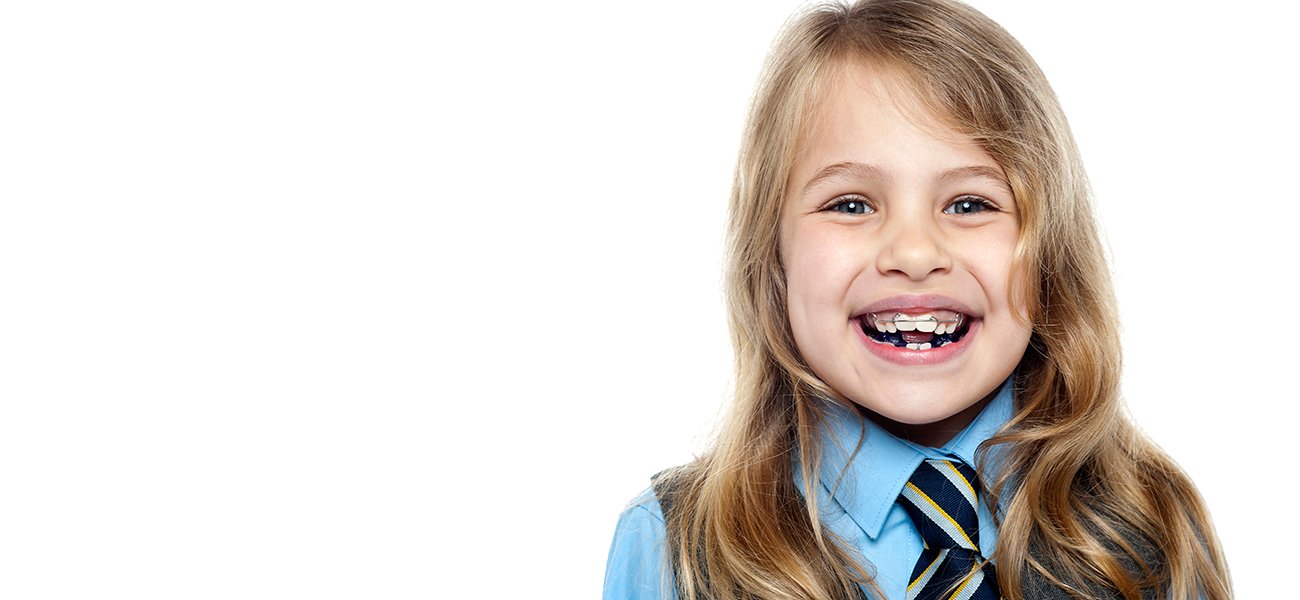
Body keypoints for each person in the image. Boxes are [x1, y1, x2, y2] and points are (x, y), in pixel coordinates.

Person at [602, 1, 1232, 599]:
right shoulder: (671, 548)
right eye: (850, 204)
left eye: (969, 204)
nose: (912, 251)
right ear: (773, 257)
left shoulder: (1152, 527)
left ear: (1049, 256)